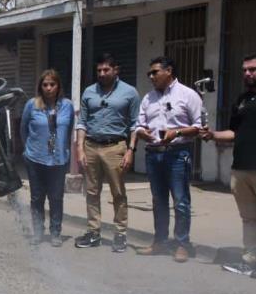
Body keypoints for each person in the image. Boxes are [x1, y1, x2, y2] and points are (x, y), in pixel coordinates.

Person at [135, 56, 203, 262]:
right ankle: (160, 242)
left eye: (155, 72)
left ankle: (182, 244)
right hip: (153, 153)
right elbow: (139, 124)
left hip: (177, 154)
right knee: (158, 201)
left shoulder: (188, 95)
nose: (151, 76)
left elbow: (199, 127)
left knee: (181, 201)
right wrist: (141, 133)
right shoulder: (148, 98)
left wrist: (178, 132)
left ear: (169, 71)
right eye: (150, 73)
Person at [74, 53, 140, 253]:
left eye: (106, 70)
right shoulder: (89, 92)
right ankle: (94, 232)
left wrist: (131, 150)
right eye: (99, 70)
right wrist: (80, 149)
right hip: (91, 146)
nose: (102, 74)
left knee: (118, 192)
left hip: (115, 147)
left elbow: (136, 124)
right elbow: (82, 122)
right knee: (92, 192)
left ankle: (120, 234)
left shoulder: (130, 92)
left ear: (115, 70)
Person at [201, 53, 256, 276]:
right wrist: (212, 135)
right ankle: (250, 262)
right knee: (249, 219)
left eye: (252, 69)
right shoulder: (242, 100)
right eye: (244, 70)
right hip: (241, 168)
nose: (247, 73)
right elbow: (234, 132)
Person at [20, 69, 75, 247]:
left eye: (52, 84)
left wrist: (63, 149)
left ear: (58, 86)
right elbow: (23, 129)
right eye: (45, 85)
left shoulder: (67, 105)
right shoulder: (32, 104)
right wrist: (28, 149)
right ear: (40, 87)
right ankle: (37, 231)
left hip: (58, 160)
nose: (49, 88)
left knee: (56, 197)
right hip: (35, 158)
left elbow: (69, 130)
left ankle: (55, 232)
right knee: (37, 197)